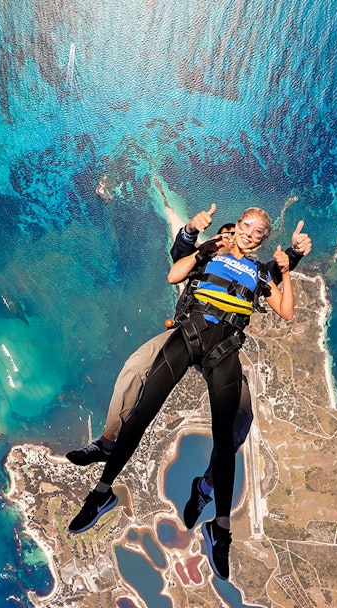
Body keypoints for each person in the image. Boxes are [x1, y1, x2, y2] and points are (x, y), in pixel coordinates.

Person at [68, 207, 296, 581]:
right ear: (236, 228)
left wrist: (288, 268)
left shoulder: (258, 273)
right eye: (245, 227)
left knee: (228, 440)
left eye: (259, 232)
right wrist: (200, 240)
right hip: (188, 336)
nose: (250, 234)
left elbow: (285, 310)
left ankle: (219, 529)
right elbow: (175, 271)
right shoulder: (210, 255)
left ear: (263, 239)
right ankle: (102, 490)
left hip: (223, 350)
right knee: (141, 409)